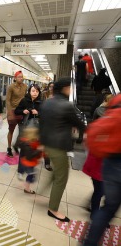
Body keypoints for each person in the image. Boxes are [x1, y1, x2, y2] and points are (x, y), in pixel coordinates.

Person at [39, 77, 86, 222]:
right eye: (69, 87)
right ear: (65, 88)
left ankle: (42, 193)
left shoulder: (46, 103)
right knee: (62, 177)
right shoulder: (67, 105)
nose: (71, 89)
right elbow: (79, 124)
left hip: (47, 144)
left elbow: (43, 123)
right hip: (59, 146)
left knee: (56, 173)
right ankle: (53, 209)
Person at [83, 94, 121, 246]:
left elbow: (91, 134)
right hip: (115, 164)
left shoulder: (113, 110)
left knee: (108, 205)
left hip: (110, 163)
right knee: (109, 207)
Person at [15, 84, 43, 177]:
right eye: (33, 91)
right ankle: (20, 170)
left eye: (37, 91)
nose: (35, 93)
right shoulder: (24, 100)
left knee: (33, 148)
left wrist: (38, 113)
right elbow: (16, 111)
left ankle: (30, 167)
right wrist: (23, 111)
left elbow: (45, 115)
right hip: (26, 128)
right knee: (24, 148)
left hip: (36, 130)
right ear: (29, 91)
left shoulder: (41, 102)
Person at [6, 71, 27, 157]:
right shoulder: (11, 87)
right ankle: (9, 148)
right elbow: (7, 100)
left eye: (22, 77)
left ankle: (16, 145)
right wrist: (10, 113)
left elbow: (26, 98)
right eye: (19, 77)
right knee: (11, 130)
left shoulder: (25, 86)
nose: (21, 78)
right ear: (15, 78)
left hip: (21, 111)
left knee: (23, 131)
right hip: (13, 111)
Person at [17, 126, 43, 194]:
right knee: (31, 175)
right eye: (36, 135)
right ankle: (27, 188)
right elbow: (30, 156)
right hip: (28, 163)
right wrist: (38, 150)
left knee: (30, 174)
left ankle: (22, 176)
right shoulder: (28, 145)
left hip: (25, 161)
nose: (38, 136)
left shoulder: (25, 141)